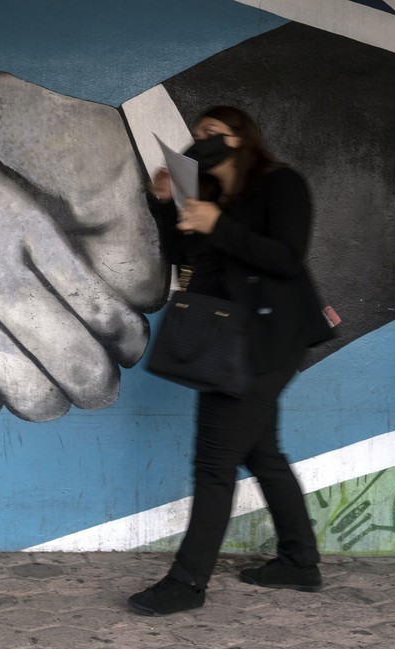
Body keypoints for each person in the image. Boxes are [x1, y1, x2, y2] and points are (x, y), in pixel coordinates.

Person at [129, 106, 333, 616]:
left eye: (212, 133)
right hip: (231, 338)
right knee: (262, 453)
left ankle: (187, 582)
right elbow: (186, 258)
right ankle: (299, 562)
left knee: (214, 463)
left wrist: (218, 224)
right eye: (195, 134)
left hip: (267, 340)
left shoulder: (281, 184)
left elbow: (286, 257)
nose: (201, 141)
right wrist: (165, 206)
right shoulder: (207, 195)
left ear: (241, 139)